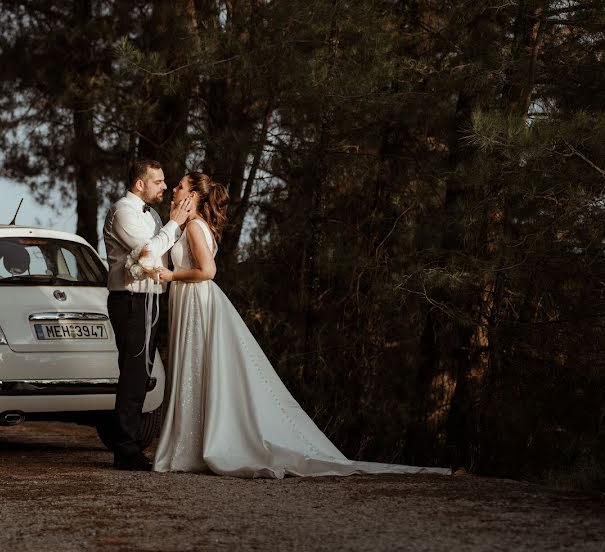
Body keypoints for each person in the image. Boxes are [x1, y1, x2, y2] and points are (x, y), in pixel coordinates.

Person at [153, 172, 450, 478]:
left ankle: (194, 447)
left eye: (180, 187)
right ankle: (189, 443)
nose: (174, 190)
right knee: (195, 370)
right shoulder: (188, 227)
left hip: (196, 300)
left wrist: (172, 276)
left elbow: (209, 271)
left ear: (195, 197)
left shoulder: (194, 230)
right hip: (188, 299)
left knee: (197, 367)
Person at [101, 159, 193, 471]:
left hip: (151, 302)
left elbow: (164, 255)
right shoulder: (123, 211)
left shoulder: (153, 214)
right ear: (140, 184)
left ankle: (131, 444)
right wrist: (174, 225)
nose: (165, 187)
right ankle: (124, 450)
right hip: (130, 302)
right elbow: (146, 254)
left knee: (142, 375)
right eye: (158, 181)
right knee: (133, 374)